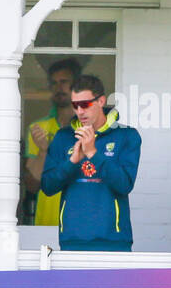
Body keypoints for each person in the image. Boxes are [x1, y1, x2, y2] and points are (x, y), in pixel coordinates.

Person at [40, 74, 141, 251]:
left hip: (114, 241)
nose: (79, 111)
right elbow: (48, 187)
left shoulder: (126, 135)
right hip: (72, 240)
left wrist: (93, 153)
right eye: (75, 105)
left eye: (85, 104)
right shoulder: (64, 137)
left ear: (101, 101)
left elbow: (124, 185)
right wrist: (71, 162)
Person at [24, 58, 81, 226]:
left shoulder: (88, 127)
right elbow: (32, 185)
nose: (59, 87)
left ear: (76, 86)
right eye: (54, 83)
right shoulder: (38, 128)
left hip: (78, 219)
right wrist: (43, 151)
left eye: (64, 82)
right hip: (46, 220)